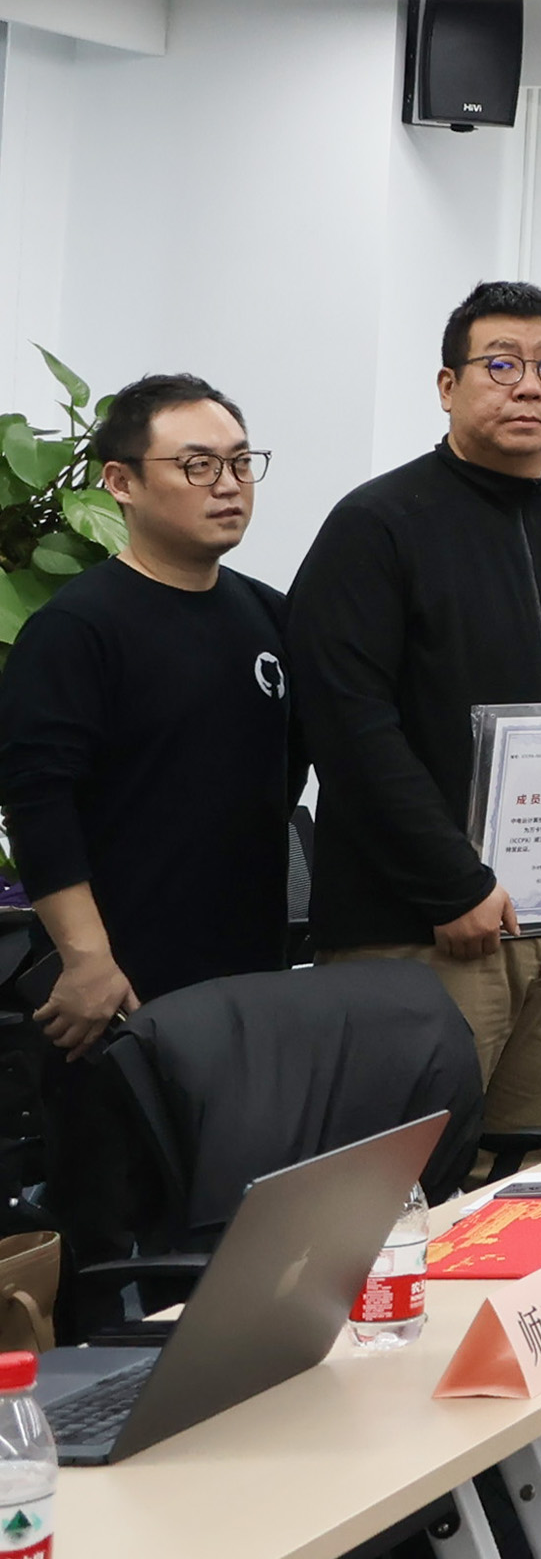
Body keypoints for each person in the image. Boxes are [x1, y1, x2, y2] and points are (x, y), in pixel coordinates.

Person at [298, 283, 541, 1150]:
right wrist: (450, 883)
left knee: (537, 1178)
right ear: (447, 385)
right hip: (423, 930)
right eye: (501, 364)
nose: (529, 385)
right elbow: (349, 727)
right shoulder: (375, 524)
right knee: (407, 1183)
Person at [0, 375, 295, 1059]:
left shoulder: (270, 615)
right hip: (120, 987)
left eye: (240, 463)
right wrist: (87, 959)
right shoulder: (76, 629)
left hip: (251, 976)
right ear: (120, 482)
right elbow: (38, 803)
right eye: (198, 465)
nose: (228, 485)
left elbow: (284, 770)